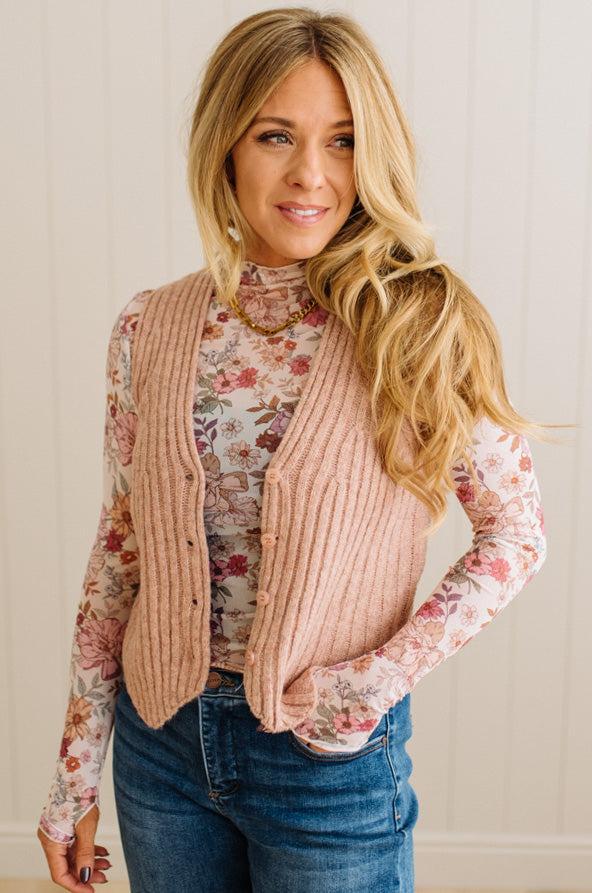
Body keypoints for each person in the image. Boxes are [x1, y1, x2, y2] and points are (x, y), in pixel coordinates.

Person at [37, 7, 554, 892]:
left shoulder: (420, 325)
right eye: (276, 135)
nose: (311, 173)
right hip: (161, 752)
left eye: (344, 141)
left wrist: (374, 681)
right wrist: (75, 763)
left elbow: (514, 535)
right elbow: (120, 549)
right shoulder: (148, 325)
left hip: (328, 766)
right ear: (225, 146)